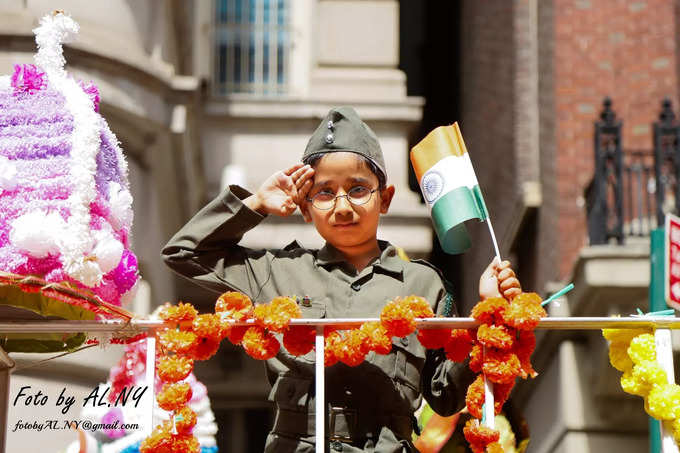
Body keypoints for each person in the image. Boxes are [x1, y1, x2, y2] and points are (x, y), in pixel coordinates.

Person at [162, 106, 521, 453]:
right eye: (324, 192)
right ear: (304, 207)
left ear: (385, 198)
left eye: (359, 189)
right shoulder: (278, 270)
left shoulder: (423, 284)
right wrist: (257, 202)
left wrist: (487, 311)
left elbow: (446, 398)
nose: (343, 206)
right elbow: (183, 253)